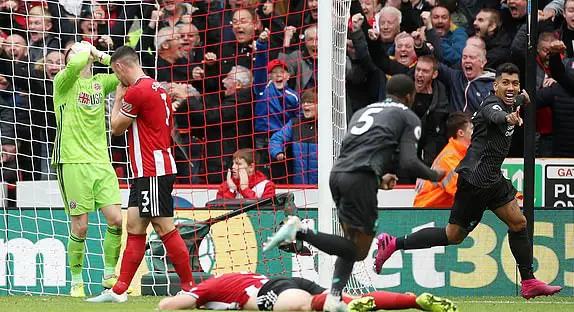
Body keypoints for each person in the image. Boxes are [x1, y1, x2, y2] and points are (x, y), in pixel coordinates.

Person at [374, 63, 563, 299]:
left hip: (492, 178)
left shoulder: (510, 101)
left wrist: (522, 99)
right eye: (505, 83)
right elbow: (497, 115)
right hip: (475, 181)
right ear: (495, 86)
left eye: (515, 83)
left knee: (518, 222)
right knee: (454, 235)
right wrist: (510, 118)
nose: (511, 87)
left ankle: (528, 281)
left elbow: (514, 101)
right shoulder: (491, 105)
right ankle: (392, 244)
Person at [262, 74, 446, 311]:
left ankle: (334, 298)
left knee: (349, 244)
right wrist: (435, 175)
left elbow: (356, 152)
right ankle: (301, 231)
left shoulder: (363, 112)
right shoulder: (408, 116)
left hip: (338, 175)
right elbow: (410, 162)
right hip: (359, 179)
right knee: (357, 251)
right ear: (410, 96)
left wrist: (378, 178)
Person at [86, 46, 194, 303]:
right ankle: (119, 290)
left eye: (115, 73)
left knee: (164, 227)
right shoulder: (157, 88)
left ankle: (190, 287)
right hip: (147, 170)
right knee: (134, 227)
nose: (117, 79)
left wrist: (118, 98)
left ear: (121, 68)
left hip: (152, 171)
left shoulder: (137, 91)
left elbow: (116, 128)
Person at [52, 41, 123, 297]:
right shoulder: (63, 81)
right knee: (80, 227)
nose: (80, 52)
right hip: (71, 161)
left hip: (101, 162)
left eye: (81, 50)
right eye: (73, 50)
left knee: (116, 219)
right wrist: (85, 49)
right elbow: (77, 63)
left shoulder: (100, 83)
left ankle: (108, 272)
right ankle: (76, 279)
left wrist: (101, 55)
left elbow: (126, 70)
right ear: (68, 58)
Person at [157, 273, 457, 312]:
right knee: (345, 298)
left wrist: (164, 302)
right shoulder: (236, 275)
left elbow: (172, 306)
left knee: (306, 306)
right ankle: (414, 300)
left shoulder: (209, 286)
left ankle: (345, 309)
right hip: (285, 279)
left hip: (270, 291)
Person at [413, 112, 473, 208]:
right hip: (427, 212)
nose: (475, 132)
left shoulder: (460, 154)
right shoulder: (449, 158)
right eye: (472, 129)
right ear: (461, 133)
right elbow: (461, 191)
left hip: (439, 211)